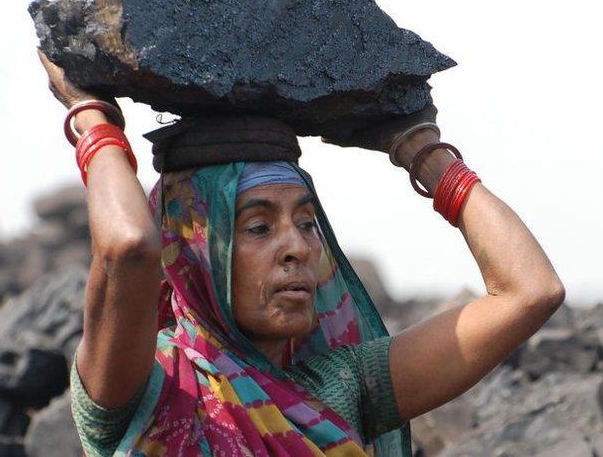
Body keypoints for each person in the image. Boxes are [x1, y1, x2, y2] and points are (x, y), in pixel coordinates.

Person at [38, 51, 565, 456]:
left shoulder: (342, 389)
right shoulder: (145, 388)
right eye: (259, 226)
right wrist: (93, 120)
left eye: (308, 223)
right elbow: (129, 245)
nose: (296, 247)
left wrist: (420, 148)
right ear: (194, 251)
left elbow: (530, 291)